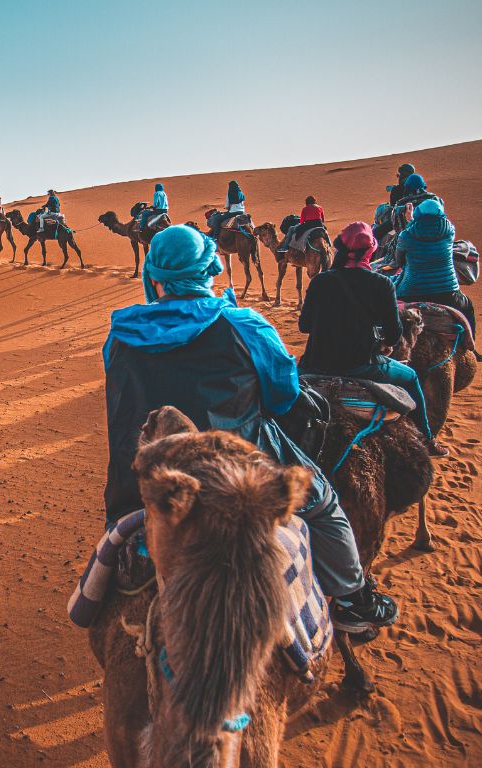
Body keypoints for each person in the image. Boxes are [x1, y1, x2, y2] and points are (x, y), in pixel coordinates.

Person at [103, 225, 400, 632]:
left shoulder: (120, 335)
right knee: (325, 504)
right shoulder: (245, 326)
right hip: (239, 475)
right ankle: (352, 601)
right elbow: (283, 397)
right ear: (212, 268)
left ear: (152, 275)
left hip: (138, 480)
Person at [298, 221, 447, 456]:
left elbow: (304, 326)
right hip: (363, 367)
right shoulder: (382, 284)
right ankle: (427, 440)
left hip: (315, 364)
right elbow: (395, 334)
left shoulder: (320, 281)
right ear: (370, 252)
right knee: (410, 378)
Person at [393, 198, 478, 337]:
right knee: (467, 306)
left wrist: (410, 220)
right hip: (447, 292)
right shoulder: (449, 231)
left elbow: (399, 261)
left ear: (418, 213)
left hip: (411, 291)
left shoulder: (406, 235)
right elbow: (432, 231)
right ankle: (471, 345)